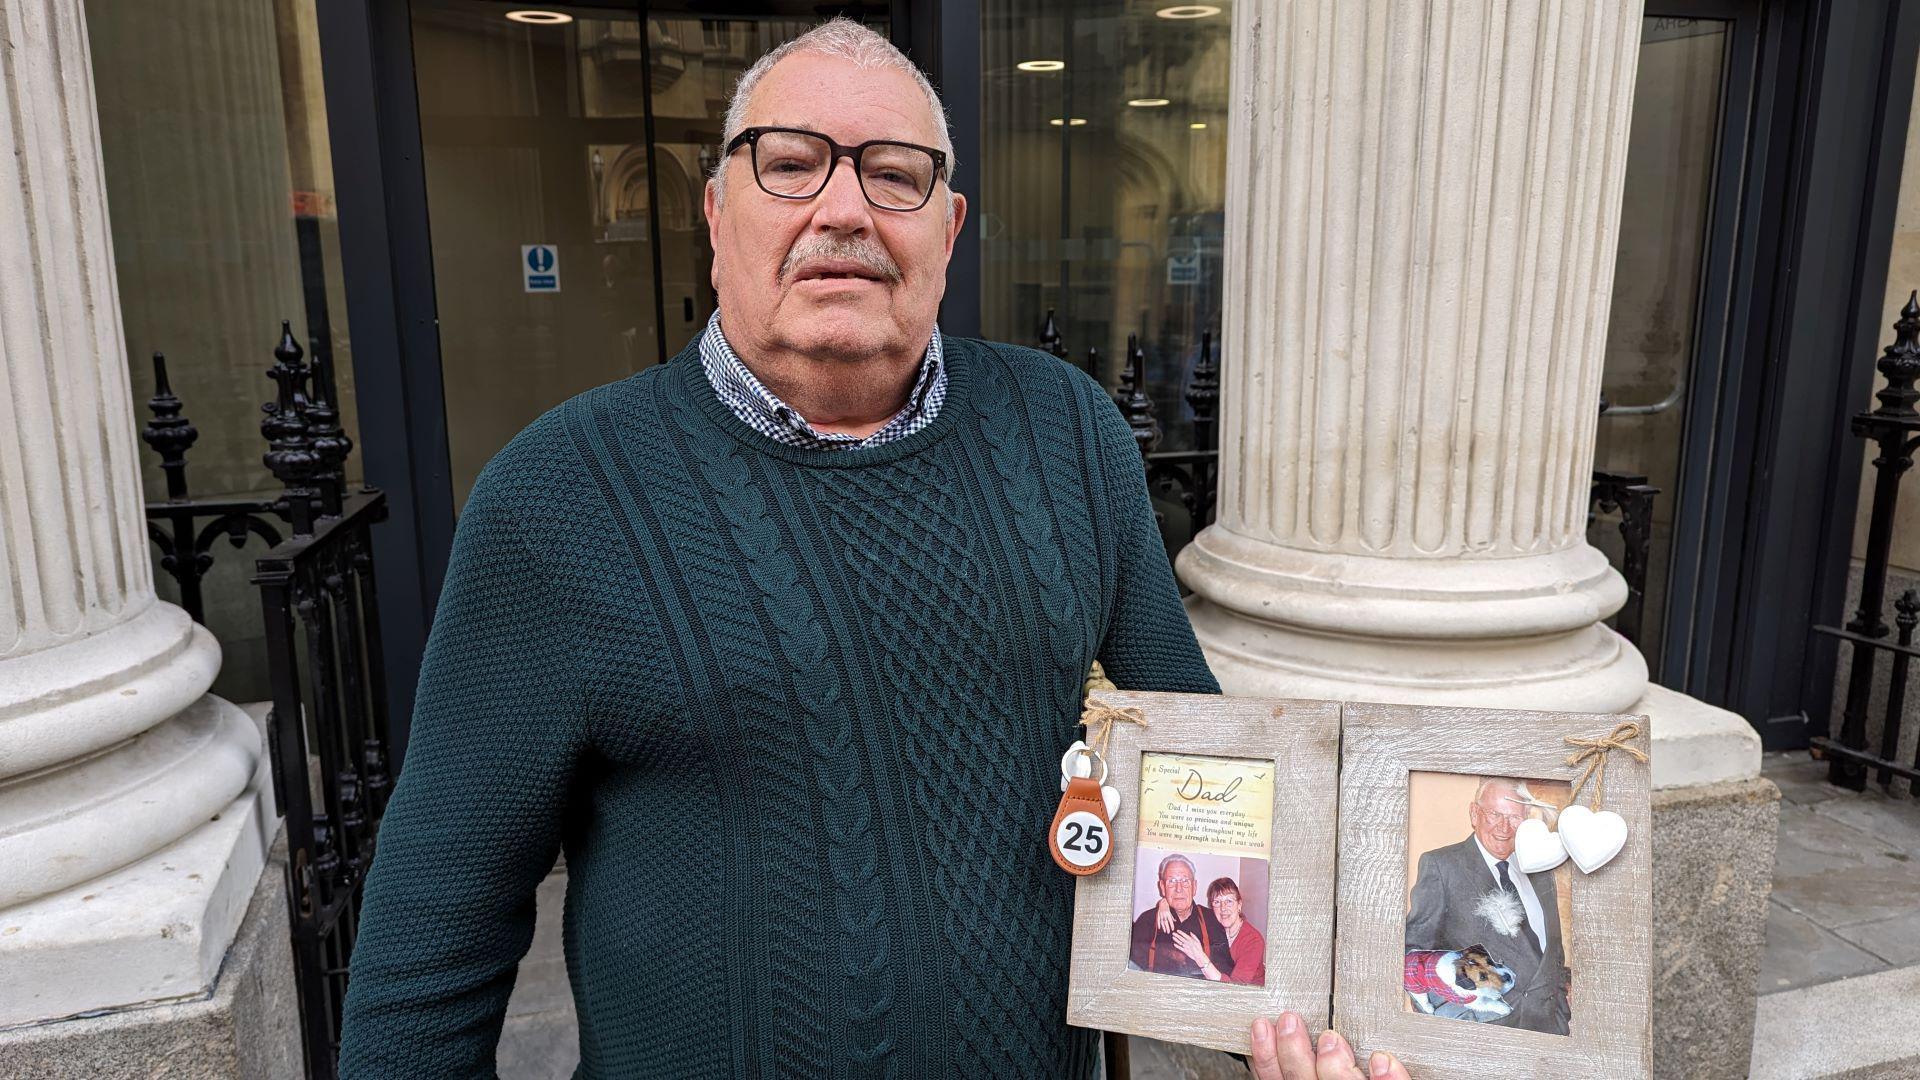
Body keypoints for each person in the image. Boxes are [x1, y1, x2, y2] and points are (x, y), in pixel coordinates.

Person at [334, 16, 1409, 1078]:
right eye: (790, 164)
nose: (843, 208)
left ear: (948, 228)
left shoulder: (1069, 432)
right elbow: (434, 938)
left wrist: (1323, 1017)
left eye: (894, 175)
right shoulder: (561, 492)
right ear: (717, 213)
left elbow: (1206, 763)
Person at [1404, 778, 1571, 1035]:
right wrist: (1450, 1025)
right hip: (1483, 1037)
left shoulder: (1541, 871)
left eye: (1515, 817)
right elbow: (1414, 956)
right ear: (1474, 813)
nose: (1504, 827)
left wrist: (1562, 1013)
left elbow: (1552, 953)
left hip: (1549, 1031)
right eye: (1494, 814)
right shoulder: (1441, 865)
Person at [1130, 855, 1236, 980]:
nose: (1179, 889)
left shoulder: (1212, 920)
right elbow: (1133, 969)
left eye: (1185, 881)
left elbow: (1225, 972)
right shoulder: (1147, 921)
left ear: (1195, 887)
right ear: (1162, 888)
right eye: (1172, 881)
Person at [1210, 876, 1267, 986]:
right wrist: (1166, 905)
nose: (1223, 908)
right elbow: (1193, 909)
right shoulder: (1215, 927)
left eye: (1229, 901)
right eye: (1217, 902)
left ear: (1239, 905)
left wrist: (1204, 963)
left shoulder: (1254, 940)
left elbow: (1235, 988)